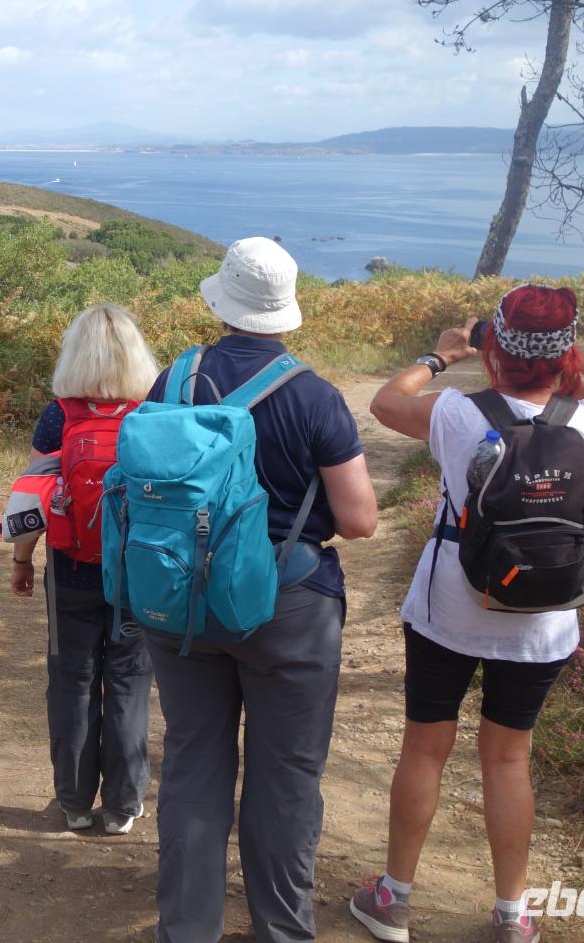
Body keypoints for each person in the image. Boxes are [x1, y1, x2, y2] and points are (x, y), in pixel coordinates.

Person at [350, 285, 584, 943]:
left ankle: (393, 899)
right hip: (546, 619)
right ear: (567, 354)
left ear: (494, 347)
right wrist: (574, 375)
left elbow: (386, 401)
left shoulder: (458, 412)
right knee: (508, 760)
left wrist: (441, 354)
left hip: (452, 604)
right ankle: (512, 914)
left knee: (426, 747)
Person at [144, 237, 379, 943]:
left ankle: (187, 931)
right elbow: (360, 520)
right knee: (285, 777)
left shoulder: (172, 382)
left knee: (193, 762)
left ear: (223, 301)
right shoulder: (314, 396)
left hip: (180, 600)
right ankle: (280, 930)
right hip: (287, 606)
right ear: (283, 312)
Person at [14, 302, 159, 834]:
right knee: (129, 678)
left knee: (72, 679)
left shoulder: (59, 415)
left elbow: (32, 496)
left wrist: (21, 559)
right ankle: (123, 805)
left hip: (71, 566)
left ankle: (74, 802)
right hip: (137, 571)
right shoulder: (151, 413)